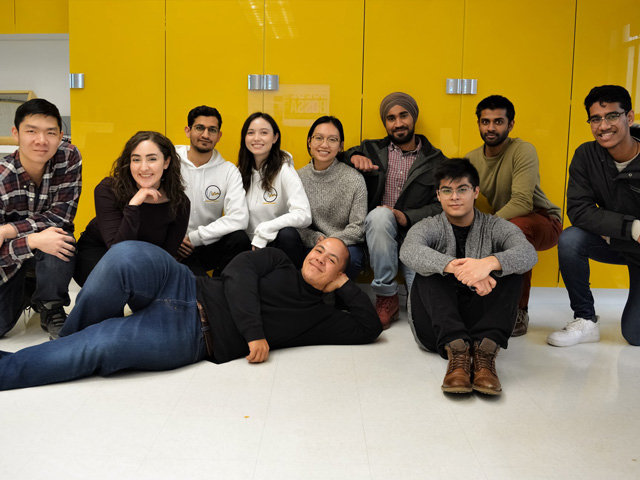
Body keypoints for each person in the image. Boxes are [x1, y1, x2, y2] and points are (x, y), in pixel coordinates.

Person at [0, 237, 382, 391]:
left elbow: (369, 327)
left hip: (190, 336)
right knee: (125, 255)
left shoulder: (320, 317)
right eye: (319, 250)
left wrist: (346, 287)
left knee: (101, 343)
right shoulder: (279, 259)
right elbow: (238, 273)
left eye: (332, 260)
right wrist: (253, 332)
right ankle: (66, 348)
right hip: (183, 282)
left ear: (339, 273)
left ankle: (12, 368)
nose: (320, 258)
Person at [400, 158, 537, 395]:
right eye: (447, 190)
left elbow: (528, 253)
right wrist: (457, 268)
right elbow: (408, 250)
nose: (454, 197)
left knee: (511, 269)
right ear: (438, 195)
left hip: (480, 324)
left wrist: (487, 264)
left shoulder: (495, 226)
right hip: (436, 329)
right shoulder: (428, 226)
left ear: (475, 192)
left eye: (462, 189)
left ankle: (485, 356)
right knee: (429, 269)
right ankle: (457, 354)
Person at [342, 92, 446, 328]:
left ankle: (413, 296)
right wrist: (353, 156)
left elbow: (443, 205)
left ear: (413, 117)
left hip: (415, 236)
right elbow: (337, 155)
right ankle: (386, 296)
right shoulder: (370, 148)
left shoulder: (437, 160)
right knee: (380, 215)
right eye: (391, 118)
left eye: (403, 116)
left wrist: (407, 217)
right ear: (385, 123)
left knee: (421, 311)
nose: (398, 123)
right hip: (377, 233)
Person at [548, 85, 640, 347]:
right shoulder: (586, 155)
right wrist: (632, 229)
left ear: (629, 117)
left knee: (635, 336)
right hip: (624, 240)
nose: (603, 126)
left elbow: (592, 215)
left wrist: (609, 229)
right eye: (595, 119)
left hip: (628, 245)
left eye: (612, 116)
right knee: (571, 239)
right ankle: (585, 320)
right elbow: (579, 210)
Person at [465, 95, 562, 336]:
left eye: (498, 121)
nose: (491, 127)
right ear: (478, 124)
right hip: (502, 221)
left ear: (511, 125)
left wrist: (486, 228)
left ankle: (519, 310)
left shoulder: (523, 150)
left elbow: (522, 202)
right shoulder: (471, 159)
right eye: (485, 122)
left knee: (515, 230)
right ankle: (476, 304)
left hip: (541, 220)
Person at [0, 99, 82, 339]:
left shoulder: (68, 156)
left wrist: (8, 230)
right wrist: (31, 241)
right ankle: (28, 287)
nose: (41, 140)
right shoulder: (2, 178)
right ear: (16, 133)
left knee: (61, 237)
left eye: (50, 132)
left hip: (45, 244)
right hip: (6, 262)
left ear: (61, 136)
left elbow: (62, 215)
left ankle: (50, 304)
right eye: (31, 131)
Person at [73, 131, 189, 287]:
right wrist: (134, 205)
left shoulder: (180, 203)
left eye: (152, 159)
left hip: (145, 261)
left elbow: (165, 256)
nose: (143, 167)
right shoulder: (108, 189)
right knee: (117, 282)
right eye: (136, 159)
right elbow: (117, 251)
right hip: (100, 252)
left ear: (166, 162)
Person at [175, 106, 250, 276]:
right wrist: (172, 238)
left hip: (205, 243)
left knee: (239, 239)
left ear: (219, 135)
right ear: (188, 131)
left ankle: (221, 282)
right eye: (199, 128)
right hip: (171, 244)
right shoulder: (170, 162)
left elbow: (239, 217)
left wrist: (194, 238)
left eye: (212, 130)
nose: (206, 135)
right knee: (197, 283)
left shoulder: (228, 170)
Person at [237, 112, 311, 268]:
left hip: (277, 243)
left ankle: (292, 281)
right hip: (248, 245)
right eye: (251, 133)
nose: (256, 138)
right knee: (234, 237)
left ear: (275, 137)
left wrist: (266, 229)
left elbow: (304, 214)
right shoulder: (239, 172)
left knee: (288, 234)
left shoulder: (284, 169)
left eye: (264, 133)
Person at [298, 116, 367, 280]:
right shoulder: (297, 178)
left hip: (344, 244)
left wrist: (329, 243)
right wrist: (315, 239)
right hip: (312, 243)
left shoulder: (354, 179)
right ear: (309, 141)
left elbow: (358, 227)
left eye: (332, 140)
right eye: (318, 138)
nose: (324, 145)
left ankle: (338, 294)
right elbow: (293, 222)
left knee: (353, 258)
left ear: (341, 146)